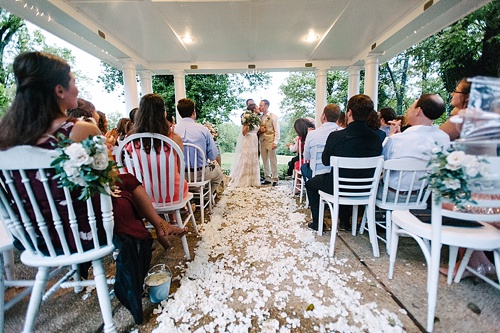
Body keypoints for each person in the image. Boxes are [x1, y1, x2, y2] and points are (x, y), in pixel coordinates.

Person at [0, 51, 186, 323]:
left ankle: (156, 225)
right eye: (73, 81)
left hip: (35, 238)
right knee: (123, 194)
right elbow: (107, 179)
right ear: (59, 90)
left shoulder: (5, 137)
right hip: (82, 231)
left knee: (126, 184)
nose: (77, 88)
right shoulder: (80, 130)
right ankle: (156, 228)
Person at [305, 95, 382, 232]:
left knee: (311, 183)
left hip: (338, 186)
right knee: (349, 176)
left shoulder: (336, 136)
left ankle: (318, 223)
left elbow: (326, 161)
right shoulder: (376, 138)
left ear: (349, 112)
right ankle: (345, 222)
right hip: (366, 188)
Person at [382, 94, 450, 200]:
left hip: (393, 196)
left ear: (418, 110)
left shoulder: (397, 140)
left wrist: (391, 136)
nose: (408, 111)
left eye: (411, 107)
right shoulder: (444, 139)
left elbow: (382, 161)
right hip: (422, 197)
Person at [126, 93, 188, 202]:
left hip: (146, 195)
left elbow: (137, 170)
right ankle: (174, 216)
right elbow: (179, 168)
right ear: (163, 113)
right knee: (178, 180)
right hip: (174, 193)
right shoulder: (174, 138)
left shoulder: (132, 141)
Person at [174, 98, 223, 191]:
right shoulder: (203, 130)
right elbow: (213, 156)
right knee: (219, 176)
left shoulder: (173, 130)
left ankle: (190, 194)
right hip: (201, 174)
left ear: (179, 113)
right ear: (194, 112)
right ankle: (207, 196)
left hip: (179, 174)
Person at [301, 104, 343, 181]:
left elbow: (306, 157)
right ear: (337, 118)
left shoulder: (312, 134)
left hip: (316, 175)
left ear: (323, 116)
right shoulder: (343, 133)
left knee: (303, 167)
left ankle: (310, 188)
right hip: (336, 174)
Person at [229, 103, 261, 187]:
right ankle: (243, 179)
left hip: (255, 140)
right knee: (246, 158)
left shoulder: (257, 118)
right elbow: (244, 133)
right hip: (248, 139)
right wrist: (248, 124)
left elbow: (257, 130)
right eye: (257, 107)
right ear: (254, 109)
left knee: (254, 159)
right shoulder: (246, 117)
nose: (259, 108)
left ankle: (253, 180)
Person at [259, 99, 280, 186]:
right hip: (262, 141)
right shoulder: (259, 118)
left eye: (261, 105)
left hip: (271, 140)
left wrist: (276, 142)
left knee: (273, 160)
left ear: (266, 106)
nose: (260, 107)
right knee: (264, 160)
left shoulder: (273, 116)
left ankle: (275, 178)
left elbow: (277, 130)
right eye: (259, 106)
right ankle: (267, 177)